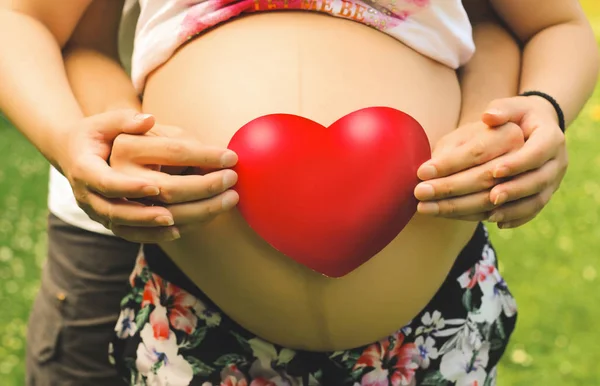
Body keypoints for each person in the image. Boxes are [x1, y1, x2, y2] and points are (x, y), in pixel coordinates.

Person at [0, 1, 595, 385]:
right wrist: (76, 134)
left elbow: (546, 25)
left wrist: (541, 110)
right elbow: (52, 29)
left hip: (432, 328)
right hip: (190, 315)